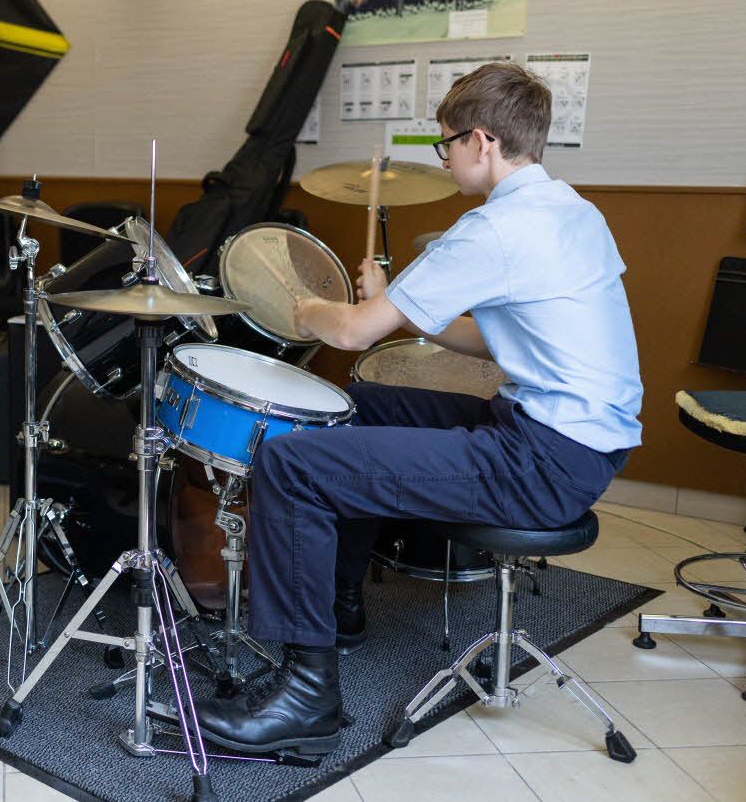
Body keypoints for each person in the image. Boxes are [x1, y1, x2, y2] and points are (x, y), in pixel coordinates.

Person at [193, 62, 643, 756]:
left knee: (291, 464)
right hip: (574, 446)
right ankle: (337, 606)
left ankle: (306, 698)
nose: (445, 157)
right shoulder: (572, 212)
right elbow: (488, 339)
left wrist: (302, 305)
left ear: (482, 141)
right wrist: (396, 302)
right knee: (355, 405)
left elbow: (349, 333)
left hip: (543, 460)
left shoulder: (495, 228)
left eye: (447, 143)